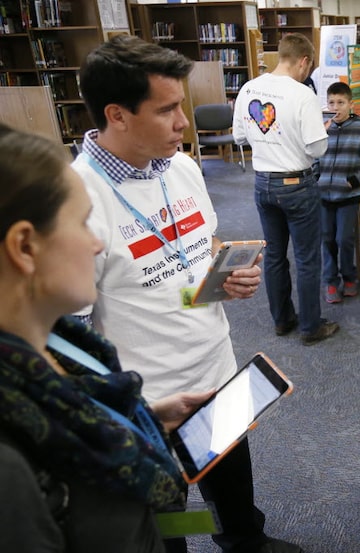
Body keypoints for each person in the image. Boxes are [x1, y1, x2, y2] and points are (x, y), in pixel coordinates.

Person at [70, 36, 302, 553]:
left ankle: (245, 540)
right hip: (150, 402)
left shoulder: (183, 167)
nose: (184, 123)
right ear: (118, 115)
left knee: (233, 487)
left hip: (216, 367)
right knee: (164, 521)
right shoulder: (76, 200)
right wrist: (122, 415)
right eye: (168, 109)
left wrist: (222, 276)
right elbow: (71, 336)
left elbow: (202, 245)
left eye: (184, 106)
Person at [0, 123, 215, 552]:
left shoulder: (58, 344)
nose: (98, 244)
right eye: (81, 223)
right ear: (25, 246)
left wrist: (143, 420)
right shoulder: (9, 469)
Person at [233, 33, 339, 346]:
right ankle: (310, 327)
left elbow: (239, 136)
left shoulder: (248, 88)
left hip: (262, 183)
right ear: (304, 61)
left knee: (275, 255)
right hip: (296, 184)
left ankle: (282, 320)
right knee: (307, 258)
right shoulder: (302, 93)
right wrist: (323, 130)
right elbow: (317, 149)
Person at [315, 82, 360, 304]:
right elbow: (313, 157)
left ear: (351, 104)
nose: (336, 107)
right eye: (331, 102)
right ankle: (330, 281)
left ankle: (349, 277)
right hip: (323, 195)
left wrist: (353, 180)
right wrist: (315, 178)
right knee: (327, 238)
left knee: (344, 239)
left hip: (349, 196)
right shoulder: (323, 128)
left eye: (341, 102)